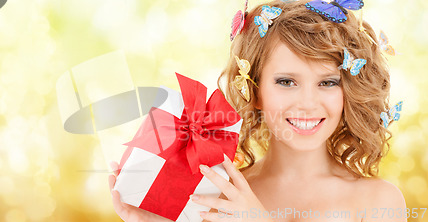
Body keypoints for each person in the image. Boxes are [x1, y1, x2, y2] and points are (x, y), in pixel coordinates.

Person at [108, 0, 407, 221]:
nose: (307, 102)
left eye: (327, 82)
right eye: (286, 81)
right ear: (255, 90)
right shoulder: (218, 194)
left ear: (348, 92)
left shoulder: (377, 201)